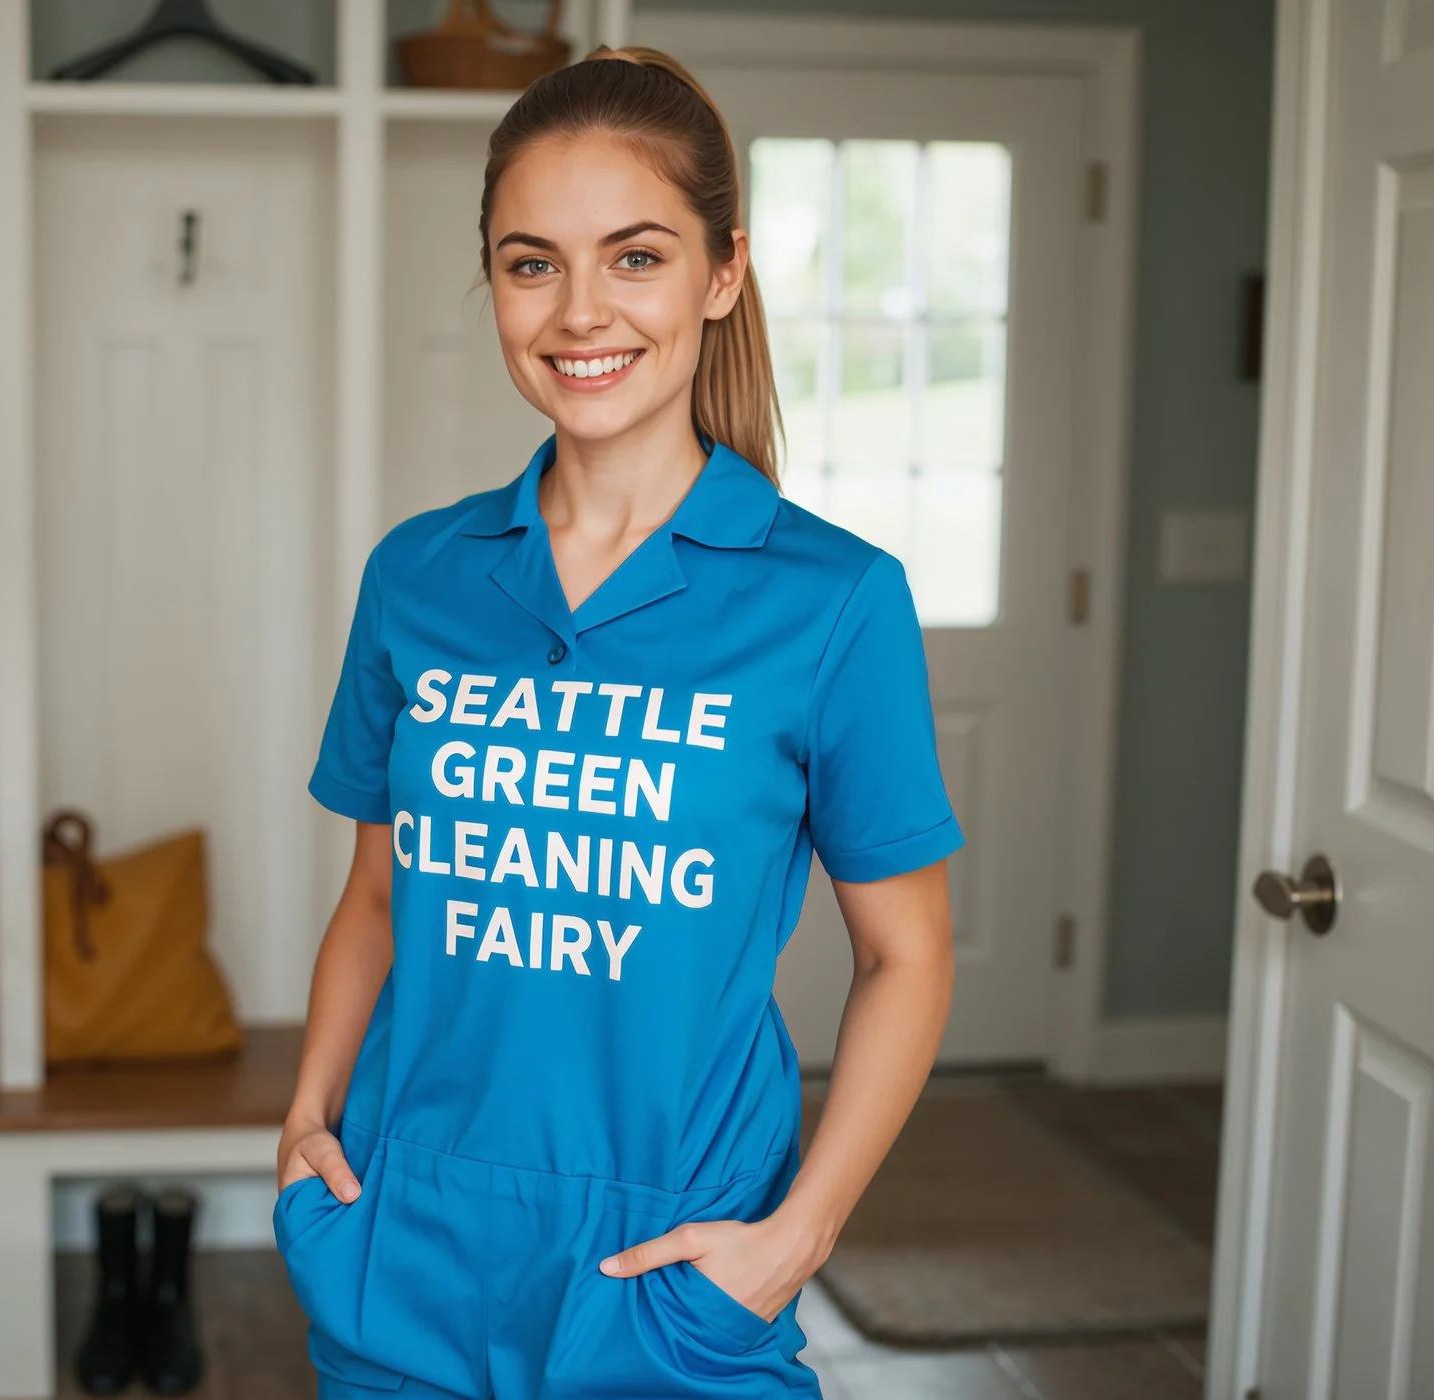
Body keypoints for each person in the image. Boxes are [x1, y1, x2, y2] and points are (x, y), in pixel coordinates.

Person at [274, 47, 960, 1400]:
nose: (580, 311)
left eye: (633, 257)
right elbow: (374, 898)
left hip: (671, 1276)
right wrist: (306, 1120)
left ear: (722, 272)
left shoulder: (833, 605)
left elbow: (910, 958)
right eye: (532, 264)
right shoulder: (419, 578)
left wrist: (797, 1237)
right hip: (400, 1251)